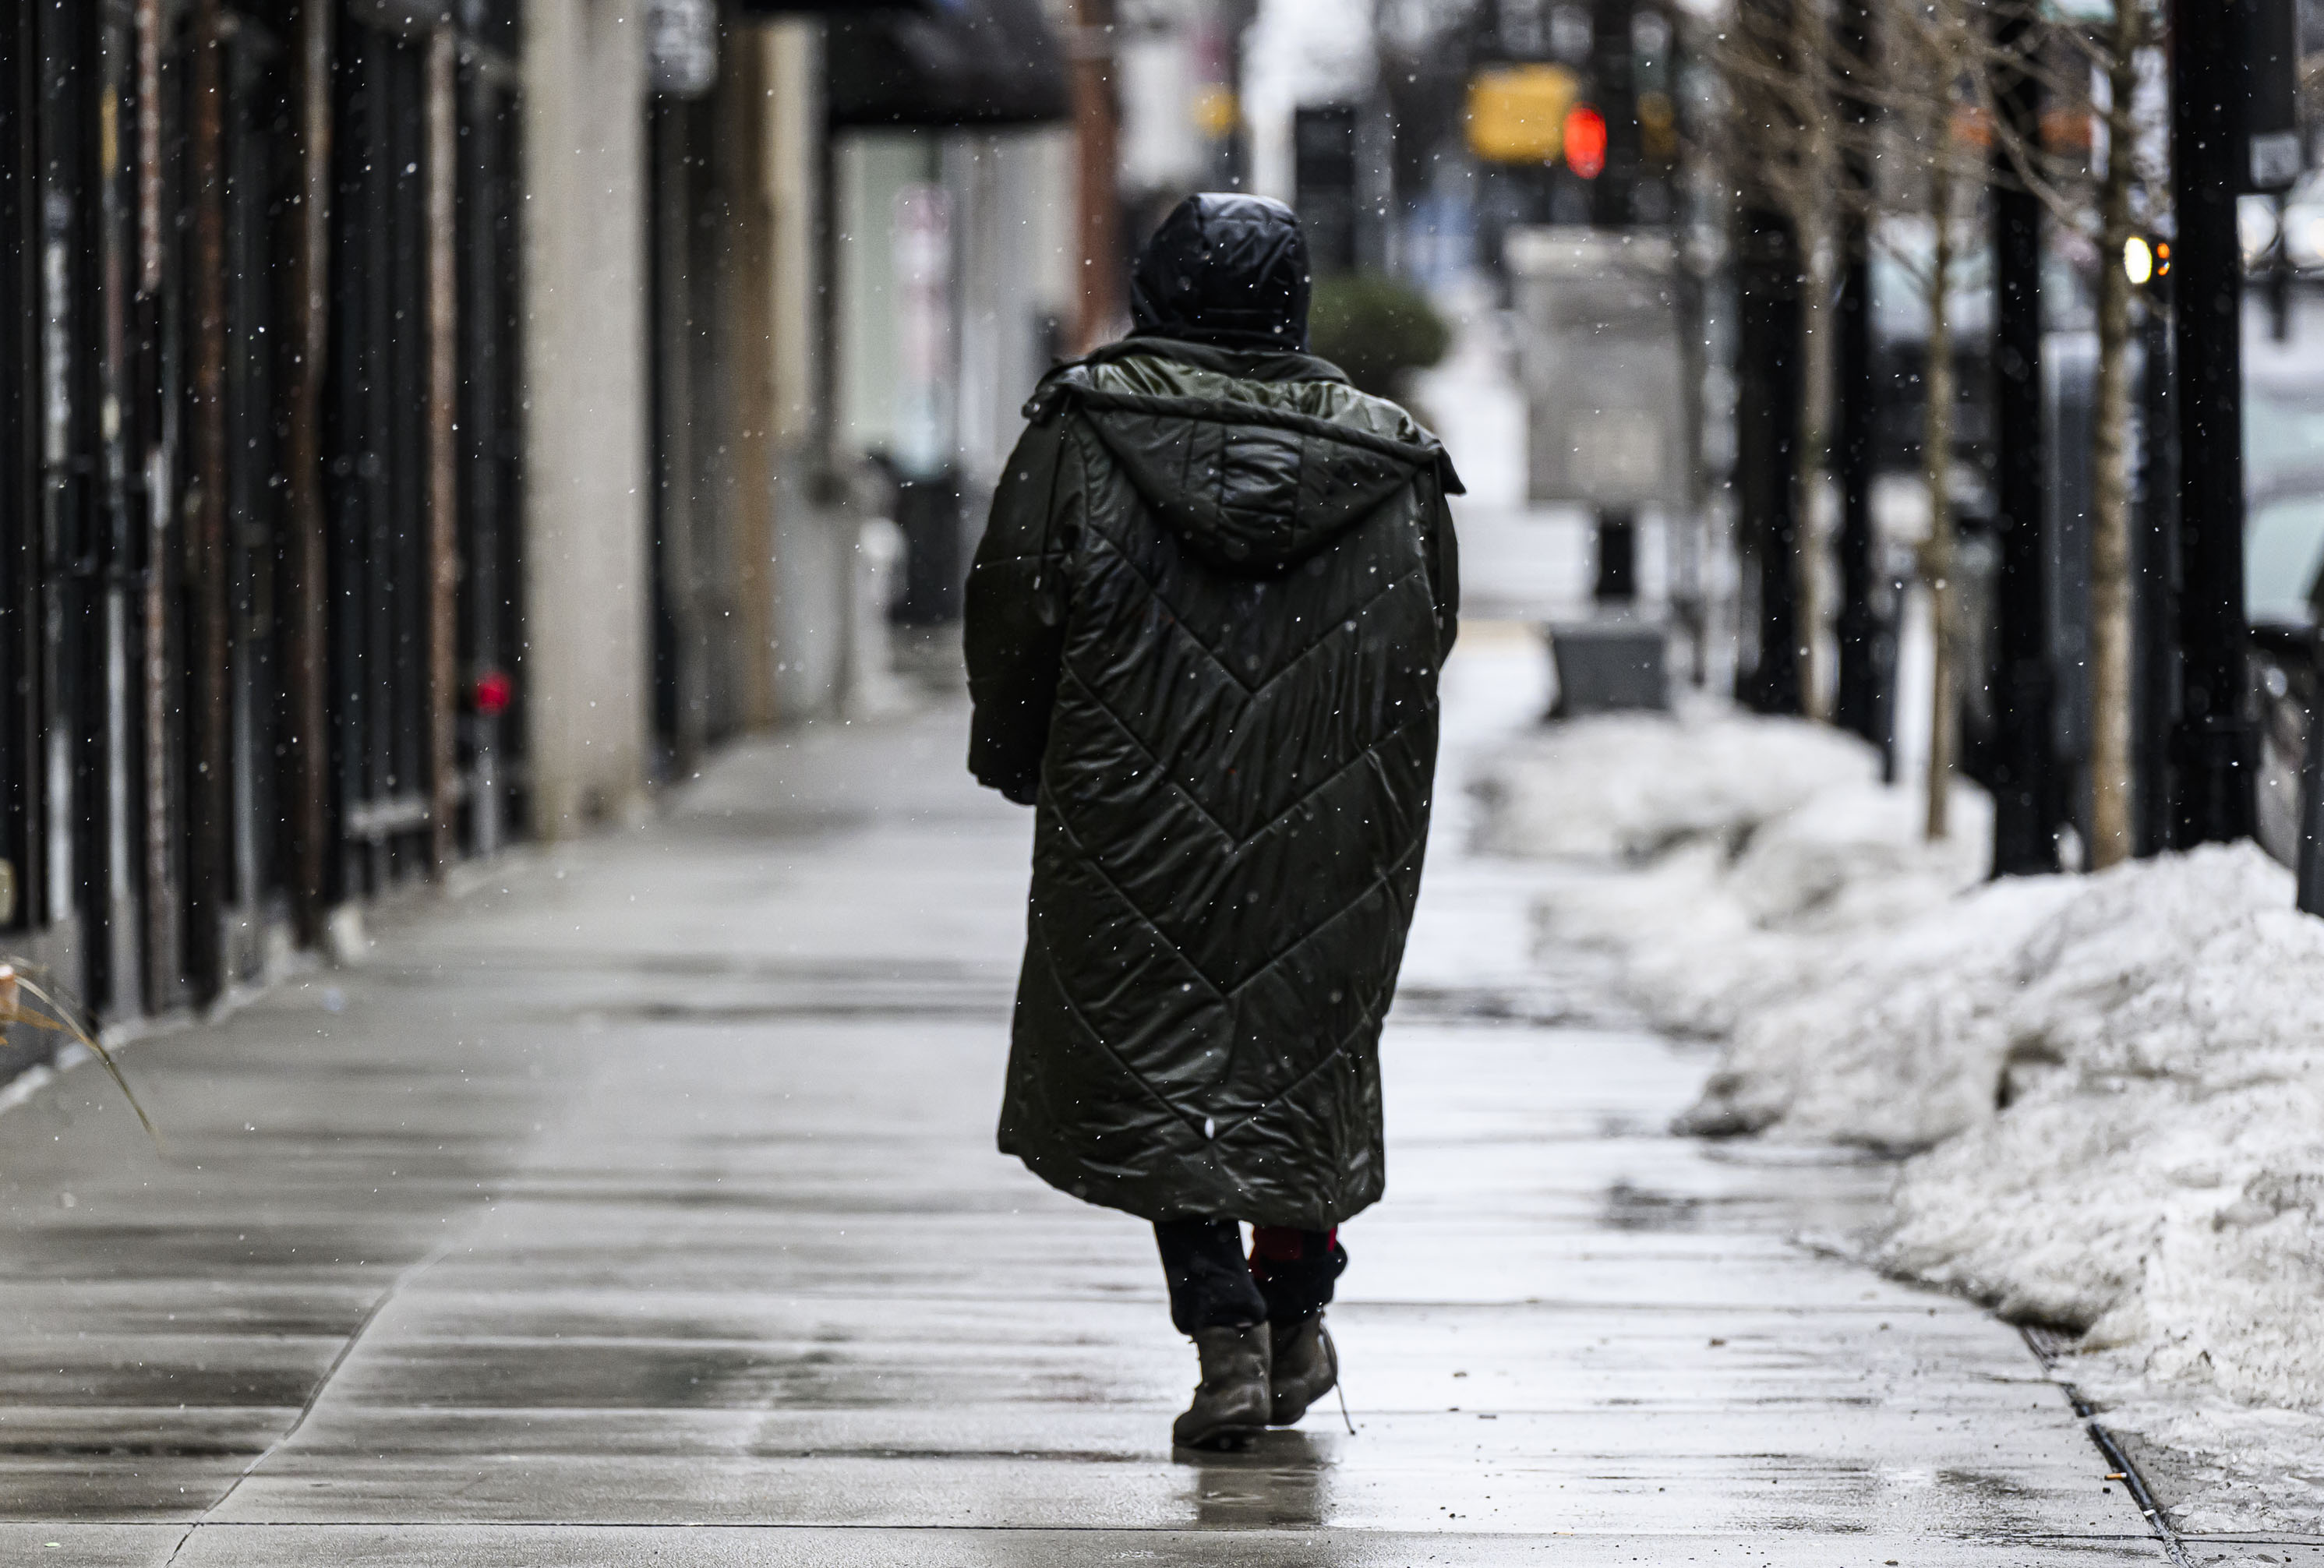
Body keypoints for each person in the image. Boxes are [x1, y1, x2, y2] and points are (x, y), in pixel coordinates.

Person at [963, 193, 1461, 1450]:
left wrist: (1020, 756)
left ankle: (1223, 1329)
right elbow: (1424, 638)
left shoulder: (1082, 430)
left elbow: (1016, 608)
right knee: (1298, 1061)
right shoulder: (1393, 455)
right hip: (1329, 823)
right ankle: (1294, 1314)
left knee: (1157, 1063)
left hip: (1134, 807)